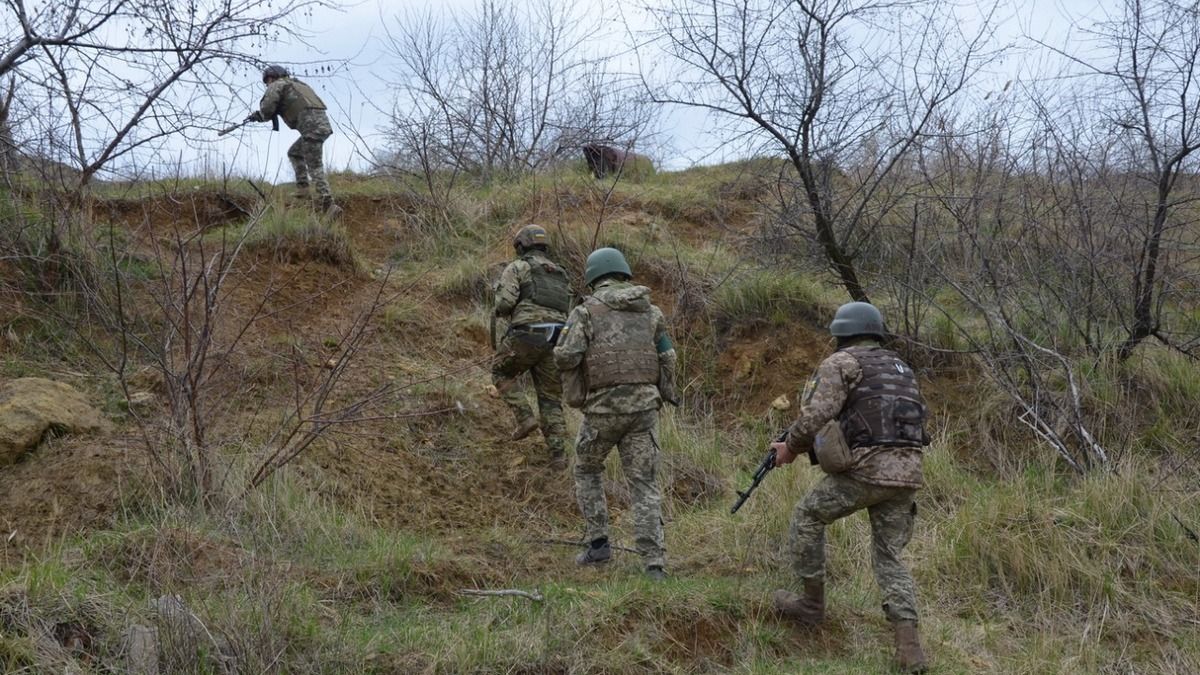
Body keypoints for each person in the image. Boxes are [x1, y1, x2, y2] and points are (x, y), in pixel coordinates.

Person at [769, 301, 931, 673]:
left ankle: (810, 605)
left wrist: (790, 448)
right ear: (875, 332)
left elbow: (817, 415)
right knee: (889, 556)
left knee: (808, 515)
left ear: (841, 334)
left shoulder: (841, 363)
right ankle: (910, 650)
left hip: (867, 470)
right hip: (909, 473)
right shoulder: (902, 367)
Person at [553, 247, 677, 580]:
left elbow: (565, 355)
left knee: (587, 468)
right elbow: (668, 358)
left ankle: (598, 546)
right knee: (645, 484)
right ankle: (654, 564)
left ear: (594, 277)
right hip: (643, 410)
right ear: (624, 273)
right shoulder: (651, 312)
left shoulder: (585, 312)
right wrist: (664, 393)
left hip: (603, 411)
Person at [491, 224, 572, 468]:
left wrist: (497, 302)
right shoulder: (561, 274)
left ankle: (525, 418)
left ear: (521, 245)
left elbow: (505, 304)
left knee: (500, 371)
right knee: (550, 398)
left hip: (528, 334)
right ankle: (559, 456)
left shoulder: (518, 267)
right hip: (557, 338)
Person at [246, 65, 339, 215]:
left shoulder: (277, 85)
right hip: (322, 126)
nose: (267, 84)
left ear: (271, 77)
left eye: (267, 81)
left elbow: (268, 108)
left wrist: (259, 115)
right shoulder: (299, 85)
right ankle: (303, 189)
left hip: (311, 128)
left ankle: (328, 204)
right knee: (295, 153)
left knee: (314, 165)